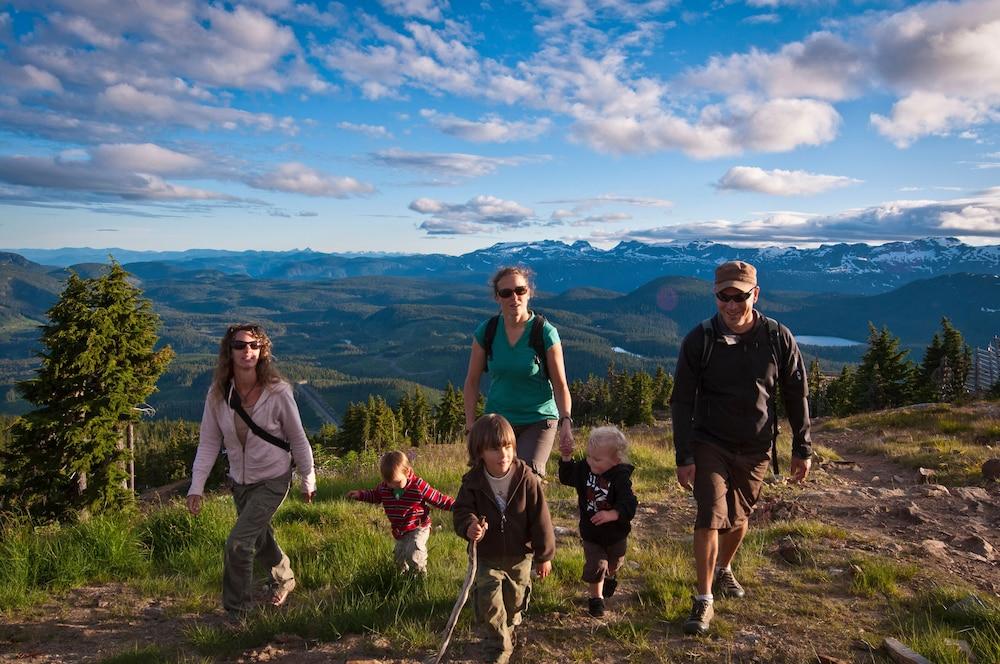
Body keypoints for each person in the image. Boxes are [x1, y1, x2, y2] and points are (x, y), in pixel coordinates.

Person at [670, 261, 813, 635]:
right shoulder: (699, 340)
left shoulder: (778, 337)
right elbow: (681, 400)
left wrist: (803, 446)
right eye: (723, 297)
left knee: (737, 519)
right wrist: (683, 455)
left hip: (756, 444)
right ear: (714, 295)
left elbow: (796, 393)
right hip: (708, 441)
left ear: (755, 293)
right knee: (709, 514)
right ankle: (703, 600)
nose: (731, 305)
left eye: (739, 296)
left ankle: (723, 569)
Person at [187, 323, 316, 617]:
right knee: (259, 537)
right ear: (229, 352)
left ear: (262, 350)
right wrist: (196, 487)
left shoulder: (278, 392)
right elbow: (208, 443)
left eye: (254, 346)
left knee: (239, 543)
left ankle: (237, 613)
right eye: (240, 346)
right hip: (240, 482)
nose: (248, 351)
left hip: (273, 479)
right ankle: (285, 579)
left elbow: (297, 438)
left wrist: (307, 478)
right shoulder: (218, 394)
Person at [453, 413, 556, 664]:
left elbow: (541, 519)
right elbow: (462, 511)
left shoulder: (526, 479)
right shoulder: (473, 482)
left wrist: (544, 556)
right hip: (486, 557)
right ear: (479, 452)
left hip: (520, 557)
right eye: (494, 448)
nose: (503, 454)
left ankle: (509, 628)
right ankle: (499, 647)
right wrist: (469, 526)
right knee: (488, 602)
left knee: (514, 603)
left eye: (508, 446)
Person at [463, 266, 573, 477]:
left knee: (525, 476)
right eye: (506, 292)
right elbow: (472, 381)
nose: (514, 297)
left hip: (539, 418)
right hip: (498, 420)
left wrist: (566, 421)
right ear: (497, 297)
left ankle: (532, 510)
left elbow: (560, 385)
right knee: (491, 478)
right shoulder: (487, 332)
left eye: (520, 290)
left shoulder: (545, 333)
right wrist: (471, 427)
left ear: (529, 292)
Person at [558, 425, 638, 618]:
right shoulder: (586, 469)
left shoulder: (620, 477)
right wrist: (566, 458)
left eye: (597, 459)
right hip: (591, 532)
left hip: (616, 534)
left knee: (614, 563)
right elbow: (567, 477)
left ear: (615, 461)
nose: (590, 461)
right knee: (596, 564)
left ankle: (610, 576)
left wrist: (613, 514)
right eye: (588, 456)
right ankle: (596, 599)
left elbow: (630, 503)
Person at [346, 450, 455, 575]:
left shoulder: (418, 486)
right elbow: (375, 496)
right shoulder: (385, 488)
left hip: (418, 526)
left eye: (397, 483)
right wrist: (360, 495)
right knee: (399, 556)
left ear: (408, 472)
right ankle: (403, 578)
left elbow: (438, 499)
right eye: (389, 483)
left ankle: (420, 578)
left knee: (414, 551)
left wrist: (458, 506)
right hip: (400, 529)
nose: (393, 487)